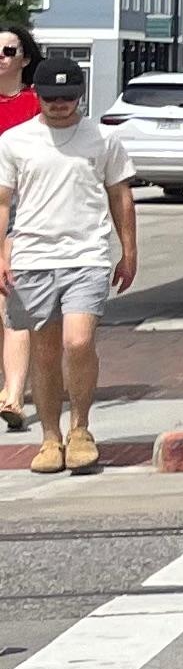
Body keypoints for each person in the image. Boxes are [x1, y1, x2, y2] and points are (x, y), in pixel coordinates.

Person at [1, 55, 136, 474]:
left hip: (87, 255)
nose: (60, 104)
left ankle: (81, 429)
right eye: (52, 97)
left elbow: (121, 195)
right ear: (37, 95)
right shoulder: (15, 141)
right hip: (32, 258)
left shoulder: (103, 139)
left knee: (78, 342)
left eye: (69, 97)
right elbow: (3, 202)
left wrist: (128, 251)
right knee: (43, 353)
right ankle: (49, 438)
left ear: (81, 95)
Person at [0, 23, 40, 438]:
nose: (1, 57)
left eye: (9, 50)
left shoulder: (36, 104)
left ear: (25, 57)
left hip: (20, 212)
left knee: (10, 296)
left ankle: (13, 393)